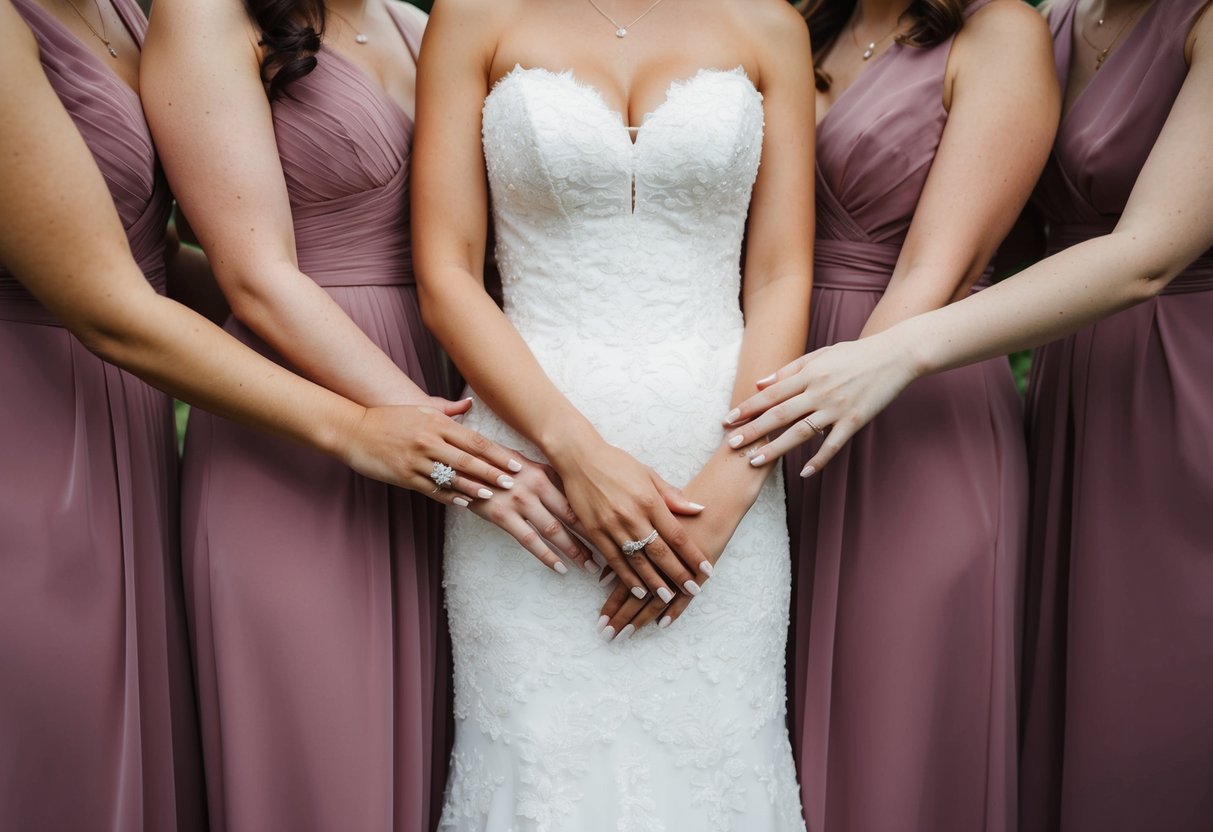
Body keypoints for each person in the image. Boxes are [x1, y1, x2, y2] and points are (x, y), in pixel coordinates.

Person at [0, 0, 535, 828]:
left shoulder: (123, 11)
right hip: (33, 438)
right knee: (59, 753)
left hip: (153, 424)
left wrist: (346, 324)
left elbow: (156, 262)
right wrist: (352, 413)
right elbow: (108, 297)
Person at [726, 2, 1213, 830]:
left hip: (1176, 378)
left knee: (1157, 692)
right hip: (1068, 372)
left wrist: (893, 351)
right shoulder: (1062, 21)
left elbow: (1144, 256)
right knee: (1074, 698)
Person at [141, 0, 598, 827]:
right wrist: (449, 447)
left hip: (446, 398)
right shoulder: (208, 16)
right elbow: (256, 278)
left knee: (447, 759)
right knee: (323, 762)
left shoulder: (419, 24)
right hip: (302, 427)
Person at [411, 0, 816, 827]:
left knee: (714, 759)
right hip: (534, 466)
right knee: (541, 765)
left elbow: (778, 275)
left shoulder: (770, 25)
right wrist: (575, 453)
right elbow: (446, 272)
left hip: (720, 463)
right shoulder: (474, 16)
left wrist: (732, 485)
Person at [715, 0, 1058, 828]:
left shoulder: (997, 32)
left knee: (893, 725)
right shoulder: (798, 25)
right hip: (762, 386)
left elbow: (934, 270)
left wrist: (821, 405)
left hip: (904, 403)